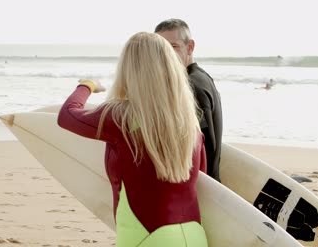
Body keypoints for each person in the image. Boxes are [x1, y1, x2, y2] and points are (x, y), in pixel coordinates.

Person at [58, 32, 208, 247]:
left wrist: (87, 85)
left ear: (129, 69)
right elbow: (203, 182)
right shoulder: (190, 124)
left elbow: (68, 115)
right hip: (194, 235)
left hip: (145, 237)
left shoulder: (121, 116)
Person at [155, 19, 223, 182]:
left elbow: (204, 147)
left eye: (173, 47)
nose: (166, 55)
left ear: (190, 47)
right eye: (160, 49)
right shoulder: (201, 76)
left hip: (201, 189)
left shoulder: (191, 86)